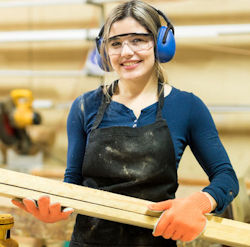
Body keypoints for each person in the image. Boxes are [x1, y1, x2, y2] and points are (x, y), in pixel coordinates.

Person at [12, 0, 239, 246]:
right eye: (116, 43)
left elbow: (226, 178)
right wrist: (54, 210)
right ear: (104, 51)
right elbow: (73, 182)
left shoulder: (187, 107)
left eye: (138, 40)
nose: (126, 52)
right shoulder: (84, 106)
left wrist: (198, 202)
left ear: (161, 44)